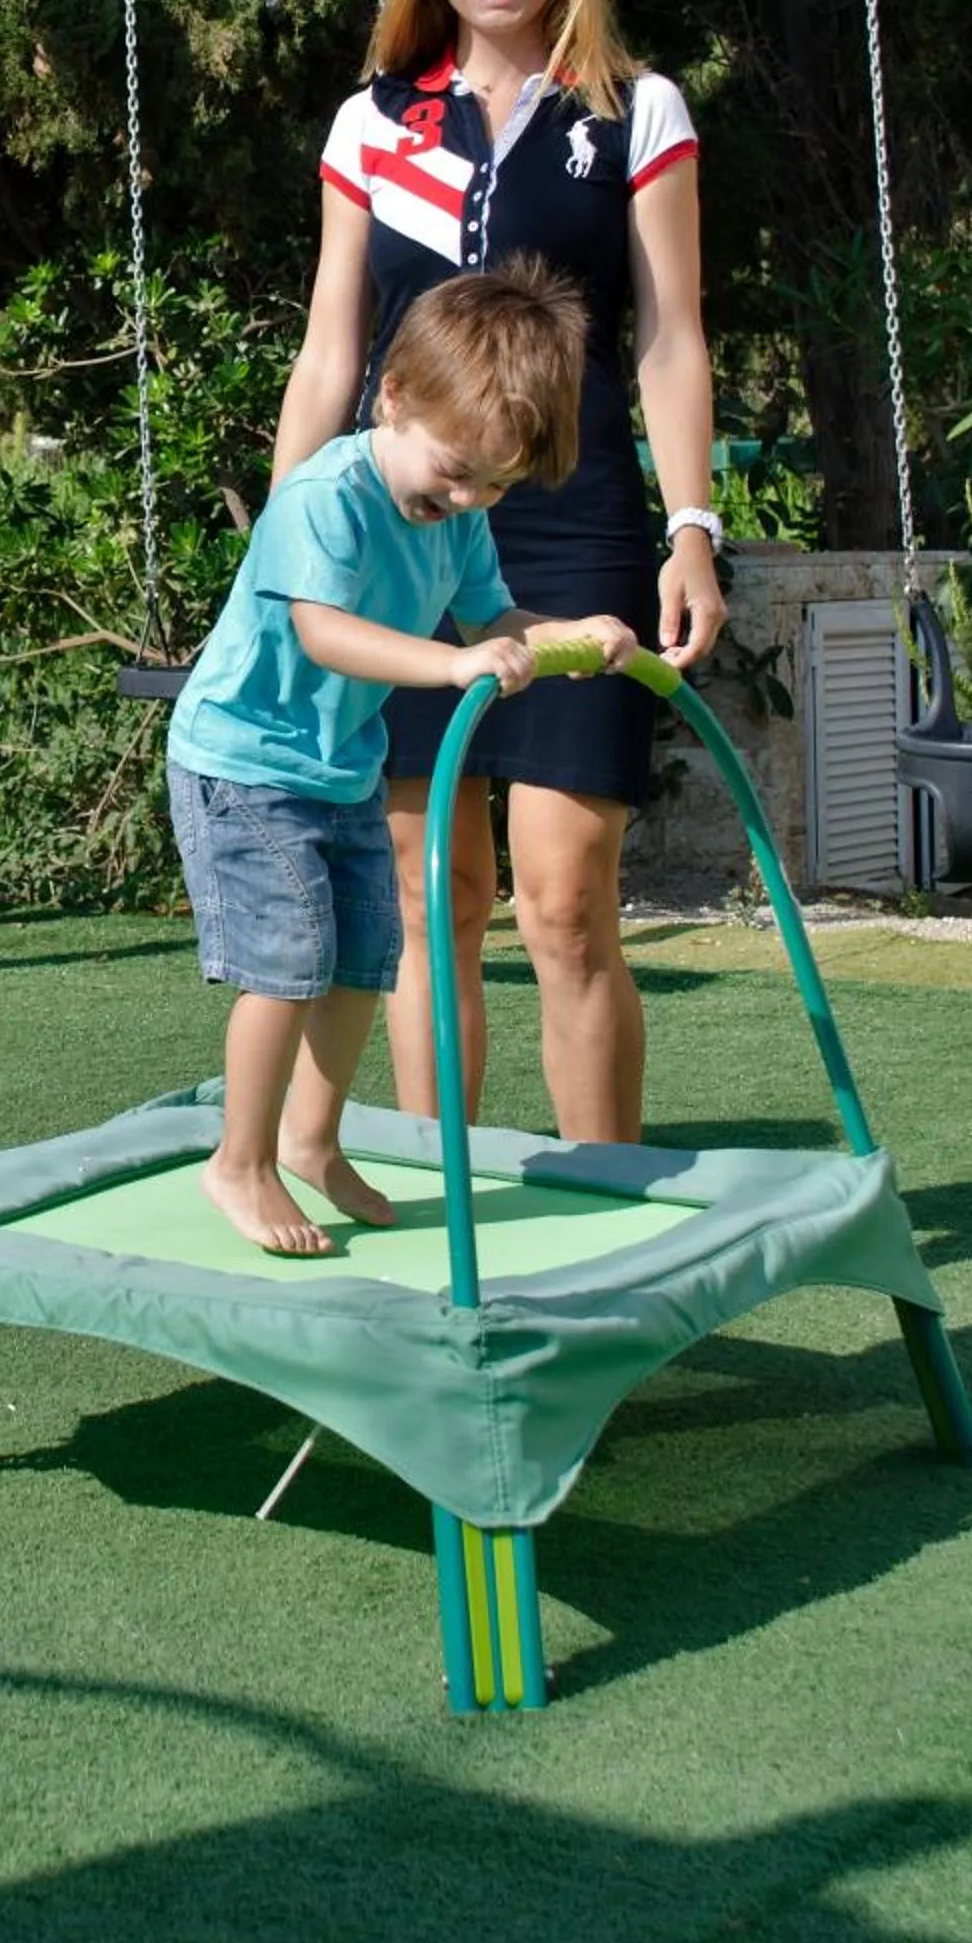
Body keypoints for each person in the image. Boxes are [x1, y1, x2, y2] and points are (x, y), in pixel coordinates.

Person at [271, 0, 726, 1147]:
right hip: (398, 534)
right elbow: (331, 351)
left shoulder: (632, 109)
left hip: (576, 526)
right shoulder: (375, 121)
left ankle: (608, 1194)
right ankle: (447, 1195)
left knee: (567, 902)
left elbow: (671, 339)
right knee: (433, 900)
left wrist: (691, 528)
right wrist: (287, 545)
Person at [168, 257, 636, 1255]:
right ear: (391, 398)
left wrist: (572, 634)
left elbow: (492, 618)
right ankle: (238, 1162)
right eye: (455, 469)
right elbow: (324, 632)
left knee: (359, 961)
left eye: (494, 485)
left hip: (339, 764)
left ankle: (309, 1142)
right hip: (243, 762)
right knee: (287, 965)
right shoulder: (325, 497)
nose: (466, 497)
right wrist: (453, 665)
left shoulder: (460, 519)